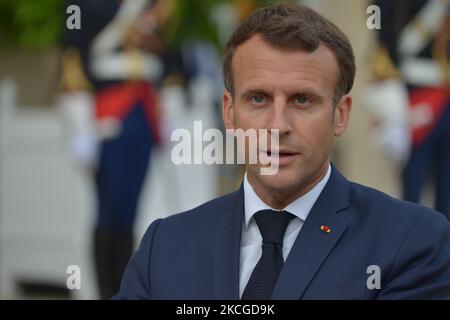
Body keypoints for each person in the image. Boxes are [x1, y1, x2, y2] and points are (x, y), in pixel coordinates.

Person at [114, 4, 450, 300]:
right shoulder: (165, 246)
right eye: (258, 98)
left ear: (340, 115)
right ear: (230, 113)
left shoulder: (411, 243)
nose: (278, 125)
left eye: (302, 100)